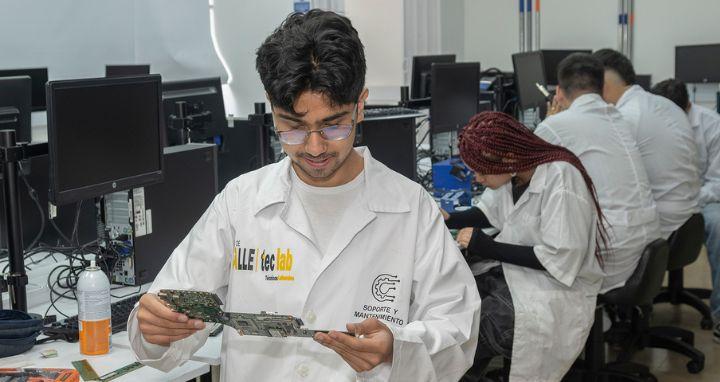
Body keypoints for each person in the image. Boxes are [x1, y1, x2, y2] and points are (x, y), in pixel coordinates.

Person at [126, 10, 481, 381]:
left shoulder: (411, 208)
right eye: (293, 127)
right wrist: (155, 328)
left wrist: (398, 346)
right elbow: (167, 317)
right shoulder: (241, 203)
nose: (314, 147)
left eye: (332, 125)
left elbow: (458, 330)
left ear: (360, 105)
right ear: (272, 108)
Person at [446, 111, 606, 381]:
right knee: (455, 304)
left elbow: (559, 258)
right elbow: (491, 211)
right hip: (519, 275)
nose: (477, 179)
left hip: (558, 288)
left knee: (475, 330)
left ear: (508, 159)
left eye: (482, 172)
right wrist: (451, 217)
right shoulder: (516, 172)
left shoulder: (561, 179)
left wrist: (487, 246)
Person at [536, 53, 661, 292]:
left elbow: (522, 172)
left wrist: (548, 122)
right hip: (646, 243)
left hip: (611, 255)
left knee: (525, 243)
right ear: (602, 89)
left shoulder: (556, 125)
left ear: (559, 93)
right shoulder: (619, 118)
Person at [593, 49, 701, 239]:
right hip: (688, 216)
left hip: (663, 222)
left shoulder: (626, 117)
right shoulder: (664, 104)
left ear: (603, 86)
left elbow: (605, 179)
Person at [651, 78, 720, 343]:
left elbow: (717, 182)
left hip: (704, 200)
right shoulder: (651, 121)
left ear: (688, 106)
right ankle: (632, 310)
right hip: (662, 199)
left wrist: (688, 197)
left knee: (719, 228)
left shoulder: (712, 125)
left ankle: (719, 313)